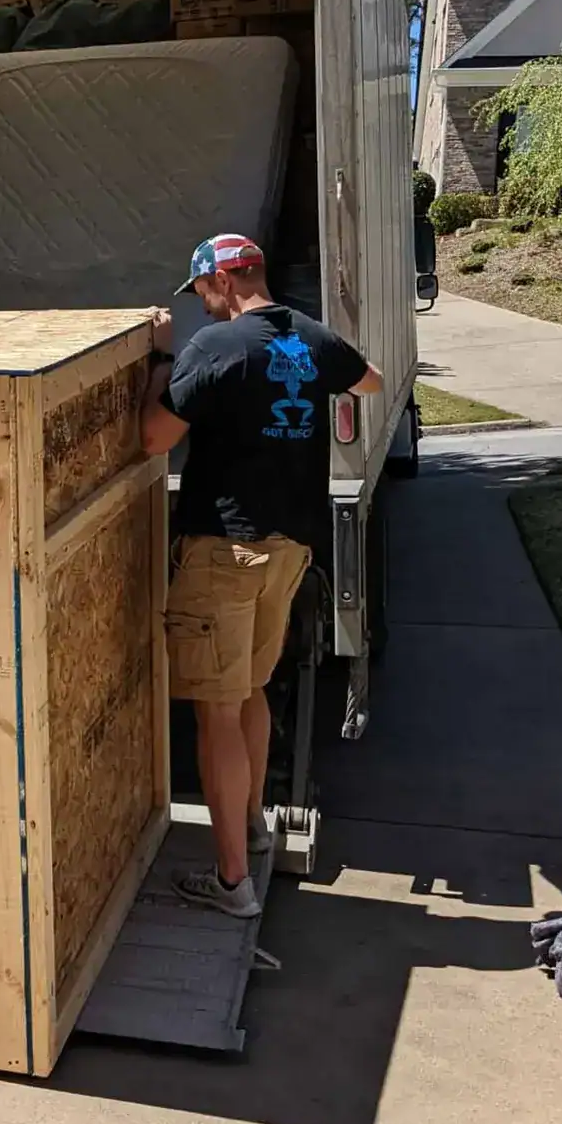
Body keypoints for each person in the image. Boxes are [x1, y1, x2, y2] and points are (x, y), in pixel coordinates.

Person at [140, 234, 382, 920]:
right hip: (289, 549)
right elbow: (370, 380)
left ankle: (231, 883)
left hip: (225, 551)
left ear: (222, 280)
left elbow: (154, 439)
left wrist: (160, 362)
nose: (203, 306)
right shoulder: (309, 336)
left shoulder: (214, 348)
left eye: (203, 293)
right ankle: (251, 827)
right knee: (250, 690)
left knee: (216, 713)